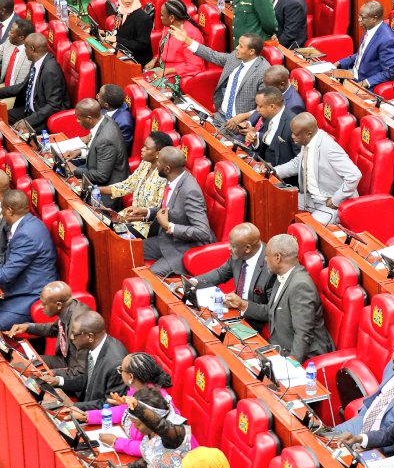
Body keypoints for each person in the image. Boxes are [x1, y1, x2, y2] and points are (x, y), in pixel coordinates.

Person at [224, 233, 334, 362]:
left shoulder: (301, 285)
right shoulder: (282, 275)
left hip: (303, 356)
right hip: (279, 346)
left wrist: (291, 366)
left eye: (266, 256)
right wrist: (242, 304)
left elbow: (303, 335)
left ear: (277, 258)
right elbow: (271, 311)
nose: (265, 260)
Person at [0, 189, 58, 330]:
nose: (1, 214)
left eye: (2, 211)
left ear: (9, 210)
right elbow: (8, 261)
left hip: (29, 295)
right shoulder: (27, 224)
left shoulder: (26, 234)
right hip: (17, 287)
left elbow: (7, 273)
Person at [123, 146, 213, 276]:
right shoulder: (173, 179)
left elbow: (203, 232)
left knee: (151, 276)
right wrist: (146, 212)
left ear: (167, 168)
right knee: (127, 251)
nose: (156, 164)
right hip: (166, 240)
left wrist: (169, 226)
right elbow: (169, 210)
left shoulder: (190, 191)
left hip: (184, 248)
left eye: (158, 162)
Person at [274, 112, 361, 225]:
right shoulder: (307, 142)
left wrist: (336, 200)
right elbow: (296, 164)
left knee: (309, 229)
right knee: (277, 200)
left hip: (331, 203)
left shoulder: (328, 147)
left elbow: (354, 175)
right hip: (311, 198)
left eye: (296, 134)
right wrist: (274, 171)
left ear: (309, 134)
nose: (292, 136)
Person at [88, 353, 179, 457]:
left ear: (131, 376)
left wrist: (116, 442)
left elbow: (154, 448)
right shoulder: (136, 388)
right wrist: (89, 416)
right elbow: (125, 410)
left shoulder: (155, 404)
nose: (120, 373)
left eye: (121, 370)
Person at [171, 27, 268, 122]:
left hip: (240, 124)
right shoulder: (235, 57)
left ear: (251, 51)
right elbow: (212, 55)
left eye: (241, 46)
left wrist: (244, 117)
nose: (237, 48)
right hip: (220, 116)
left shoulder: (263, 71)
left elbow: (266, 106)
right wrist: (187, 40)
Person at [189, 223, 274, 327]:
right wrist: (194, 282)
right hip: (234, 311)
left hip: (255, 322)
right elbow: (220, 273)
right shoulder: (239, 255)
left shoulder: (271, 267)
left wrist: (242, 304)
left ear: (247, 248)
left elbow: (272, 311)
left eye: (233, 246)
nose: (229, 248)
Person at [47, 311, 128, 410]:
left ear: (90, 337)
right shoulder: (93, 346)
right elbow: (88, 379)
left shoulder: (115, 364)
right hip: (86, 403)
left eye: (74, 334)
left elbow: (111, 404)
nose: (71, 337)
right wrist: (58, 381)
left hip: (95, 416)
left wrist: (72, 405)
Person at [99, 130, 171, 237]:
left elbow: (157, 212)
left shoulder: (165, 177)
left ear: (158, 154)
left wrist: (132, 218)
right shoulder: (145, 163)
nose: (142, 149)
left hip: (145, 226)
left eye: (147, 148)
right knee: (100, 222)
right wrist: (97, 189)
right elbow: (127, 185)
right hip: (128, 216)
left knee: (111, 235)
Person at [7, 281, 89, 371]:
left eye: (44, 304)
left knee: (27, 369)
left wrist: (50, 375)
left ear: (58, 305)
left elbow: (80, 372)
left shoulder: (78, 326)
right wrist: (27, 327)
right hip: (64, 360)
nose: (42, 307)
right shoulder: (68, 308)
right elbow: (54, 329)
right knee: (20, 362)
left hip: (74, 369)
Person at [0, 32, 70, 131]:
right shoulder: (36, 62)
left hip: (44, 117)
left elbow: (53, 105)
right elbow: (23, 86)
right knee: (2, 117)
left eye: (25, 48)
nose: (24, 51)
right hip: (31, 110)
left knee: (16, 132)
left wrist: (27, 121)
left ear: (32, 49)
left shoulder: (50, 71)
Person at [65, 98, 130, 204]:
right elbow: (97, 151)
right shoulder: (104, 120)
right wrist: (80, 152)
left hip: (106, 194)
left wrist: (74, 170)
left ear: (89, 118)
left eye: (79, 118)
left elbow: (102, 176)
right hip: (95, 174)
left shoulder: (105, 139)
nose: (77, 121)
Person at [335, 1, 394, 89]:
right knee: (327, 76)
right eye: (359, 16)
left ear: (374, 19)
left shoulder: (388, 41)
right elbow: (363, 53)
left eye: (363, 17)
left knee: (336, 97)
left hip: (364, 83)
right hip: (352, 74)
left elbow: (390, 73)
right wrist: (339, 63)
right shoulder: (370, 28)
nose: (359, 19)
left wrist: (364, 83)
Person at [224, 65, 305, 132]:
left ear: (282, 85)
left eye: (268, 86)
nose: (265, 88)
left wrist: (255, 134)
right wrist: (248, 123)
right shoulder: (275, 89)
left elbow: (280, 134)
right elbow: (260, 108)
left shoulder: (294, 106)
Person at [146, 0, 204, 79]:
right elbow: (164, 49)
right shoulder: (168, 26)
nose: (160, 17)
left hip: (178, 76)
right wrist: (155, 59)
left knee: (146, 89)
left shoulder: (191, 34)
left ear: (171, 18)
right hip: (163, 70)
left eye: (162, 15)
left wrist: (167, 71)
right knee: (139, 82)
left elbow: (193, 66)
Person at [242, 86, 299, 167]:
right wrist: (255, 140)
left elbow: (299, 160)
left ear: (272, 107)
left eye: (260, 106)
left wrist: (277, 171)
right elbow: (268, 144)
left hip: (280, 175)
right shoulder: (268, 116)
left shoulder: (293, 124)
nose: (257, 110)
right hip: (262, 165)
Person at [105, 0, 154, 66]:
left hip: (136, 61)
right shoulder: (120, 11)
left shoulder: (143, 18)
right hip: (121, 53)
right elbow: (117, 32)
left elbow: (141, 46)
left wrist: (117, 39)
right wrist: (105, 33)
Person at [97, 83, 134, 151]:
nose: (97, 96)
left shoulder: (124, 124)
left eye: (99, 95)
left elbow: (120, 149)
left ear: (106, 105)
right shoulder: (108, 107)